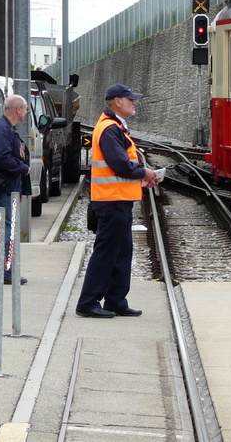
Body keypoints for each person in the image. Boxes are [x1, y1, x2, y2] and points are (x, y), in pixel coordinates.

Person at [76, 84, 158, 318]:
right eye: (130, 99)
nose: (134, 103)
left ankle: (115, 300)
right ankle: (88, 302)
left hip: (119, 200)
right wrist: (144, 173)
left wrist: (141, 179)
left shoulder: (115, 127)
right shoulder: (110, 129)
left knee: (121, 252)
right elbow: (119, 164)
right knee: (106, 253)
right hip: (111, 202)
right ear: (118, 101)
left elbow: (119, 168)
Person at [0, 95, 30, 285]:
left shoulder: (8, 129)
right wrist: (23, 168)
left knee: (8, 227)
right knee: (5, 228)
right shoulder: (1, 129)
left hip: (10, 186)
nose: (26, 112)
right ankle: (4, 271)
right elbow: (3, 158)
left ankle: (7, 269)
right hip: (2, 187)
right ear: (18, 109)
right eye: (26, 108)